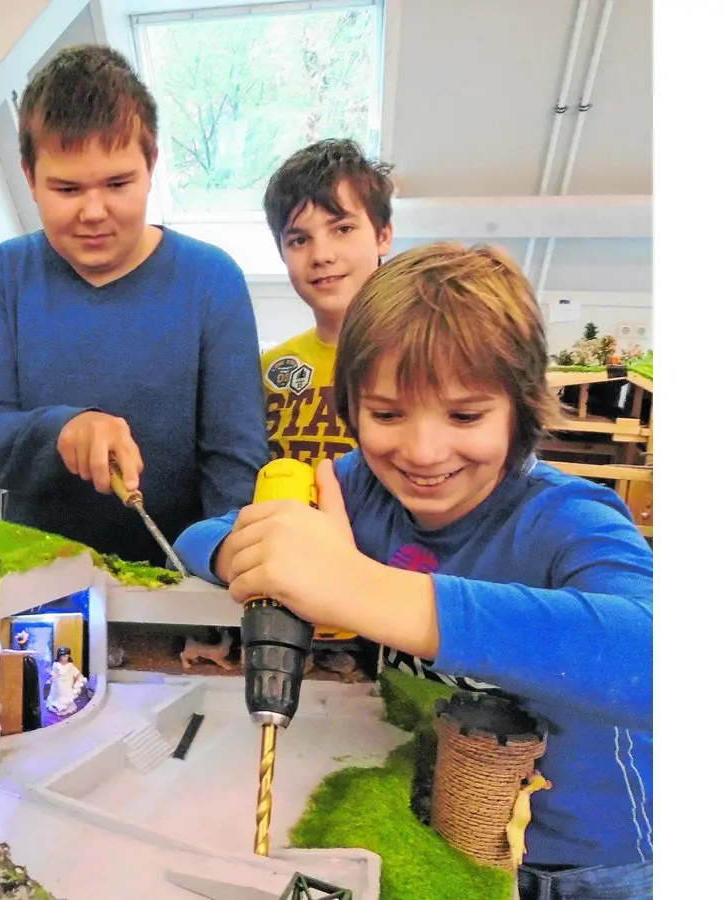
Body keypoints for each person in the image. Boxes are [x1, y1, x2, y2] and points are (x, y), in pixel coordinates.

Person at [174, 243, 652, 899]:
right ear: (352, 408)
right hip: (450, 843)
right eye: (388, 414)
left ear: (522, 408)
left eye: (465, 415)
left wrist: (359, 588)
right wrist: (252, 554)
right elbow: (201, 537)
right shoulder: (357, 491)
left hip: (595, 866)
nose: (423, 452)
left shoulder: (567, 519)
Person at [0, 44, 266, 567]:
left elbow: (235, 464)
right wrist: (64, 430)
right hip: (40, 579)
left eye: (118, 184)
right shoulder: (8, 273)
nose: (93, 212)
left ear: (151, 166)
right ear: (29, 178)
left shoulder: (212, 280)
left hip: (184, 582)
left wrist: (217, 581)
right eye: (67, 188)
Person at [259, 138, 395, 465]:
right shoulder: (266, 372)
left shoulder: (425, 357)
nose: (321, 255)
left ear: (383, 236)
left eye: (343, 229)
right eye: (299, 240)